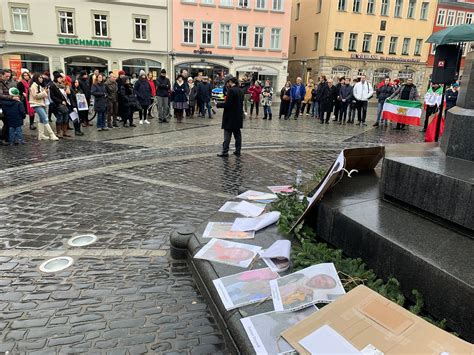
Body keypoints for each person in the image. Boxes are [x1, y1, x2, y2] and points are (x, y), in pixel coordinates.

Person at [217, 77, 244, 157]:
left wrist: (218, 104)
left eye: (227, 82)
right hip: (238, 116)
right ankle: (238, 150)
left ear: (230, 82)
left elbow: (228, 104)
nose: (227, 84)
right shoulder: (240, 90)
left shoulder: (231, 90)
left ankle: (225, 151)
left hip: (230, 117)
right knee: (237, 135)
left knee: (227, 135)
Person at [29, 73, 58, 141]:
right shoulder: (34, 85)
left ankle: (41, 135)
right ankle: (51, 134)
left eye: (42, 78)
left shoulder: (38, 85)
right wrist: (44, 92)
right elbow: (35, 96)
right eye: (40, 78)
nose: (41, 79)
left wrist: (45, 92)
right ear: (36, 78)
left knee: (42, 119)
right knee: (45, 118)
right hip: (36, 104)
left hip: (41, 104)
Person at [49, 72, 72, 138]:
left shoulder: (62, 85)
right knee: (60, 118)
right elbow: (52, 96)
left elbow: (66, 94)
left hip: (65, 103)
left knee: (66, 118)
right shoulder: (53, 85)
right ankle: (58, 133)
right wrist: (61, 101)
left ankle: (64, 132)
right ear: (56, 78)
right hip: (58, 104)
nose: (61, 79)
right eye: (59, 78)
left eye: (61, 78)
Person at [0, 69, 21, 144]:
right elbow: (1, 95)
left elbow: (11, 91)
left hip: (6, 105)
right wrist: (12, 97)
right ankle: (2, 139)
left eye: (9, 76)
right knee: (6, 122)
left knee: (8, 122)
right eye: (6, 76)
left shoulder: (7, 82)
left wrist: (16, 95)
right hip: (2, 106)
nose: (8, 77)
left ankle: (6, 138)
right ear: (1, 75)